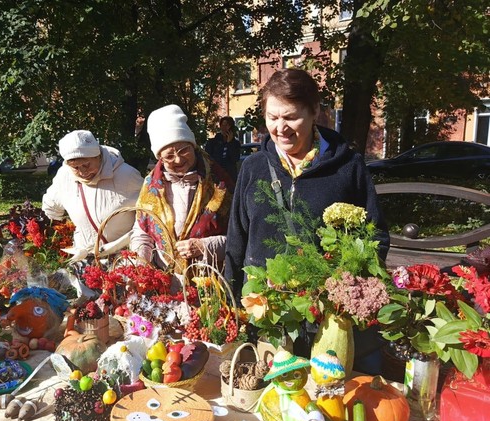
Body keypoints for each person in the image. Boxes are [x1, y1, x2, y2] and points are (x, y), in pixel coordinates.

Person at [224, 68, 390, 369]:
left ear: (315, 112)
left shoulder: (347, 167)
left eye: (290, 117)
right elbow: (237, 238)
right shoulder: (254, 167)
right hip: (268, 318)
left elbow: (374, 236)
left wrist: (346, 291)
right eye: (272, 117)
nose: (280, 128)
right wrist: (232, 303)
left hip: (325, 321)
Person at [129, 104, 234, 273]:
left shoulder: (220, 184)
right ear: (160, 158)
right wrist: (142, 262)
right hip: (165, 284)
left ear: (193, 146)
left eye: (183, 150)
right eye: (169, 156)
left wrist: (205, 246)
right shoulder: (151, 186)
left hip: (210, 284)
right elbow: (142, 231)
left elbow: (240, 237)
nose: (178, 160)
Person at [42, 130, 144, 261]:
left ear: (98, 156)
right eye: (76, 167)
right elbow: (50, 209)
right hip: (84, 259)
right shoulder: (64, 176)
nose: (83, 172)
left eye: (86, 165)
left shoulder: (127, 175)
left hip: (123, 259)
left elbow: (149, 214)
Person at [205, 116, 241, 181]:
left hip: (230, 175)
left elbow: (235, 158)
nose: (224, 128)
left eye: (227, 125)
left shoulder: (235, 143)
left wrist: (229, 143)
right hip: (216, 174)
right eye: (223, 125)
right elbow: (209, 158)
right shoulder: (213, 142)